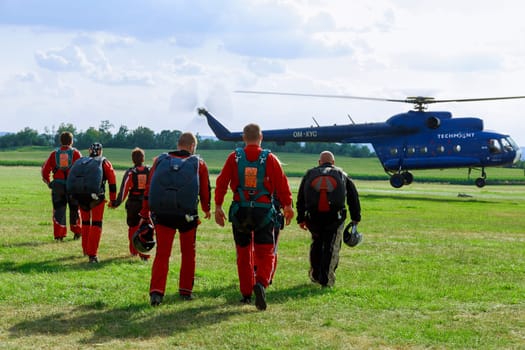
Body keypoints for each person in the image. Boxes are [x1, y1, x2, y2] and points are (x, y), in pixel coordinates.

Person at [214, 123, 294, 311]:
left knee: (243, 253)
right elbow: (282, 184)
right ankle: (261, 283)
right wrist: (288, 206)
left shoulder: (234, 158)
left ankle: (246, 292)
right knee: (265, 252)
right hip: (263, 212)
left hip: (240, 211)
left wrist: (218, 206)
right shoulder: (270, 159)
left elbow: (222, 182)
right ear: (261, 137)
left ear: (243, 137)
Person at [140, 132, 211, 306]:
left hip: (163, 214)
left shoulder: (160, 160)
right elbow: (205, 190)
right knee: (188, 254)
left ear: (178, 144)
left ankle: (156, 293)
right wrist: (206, 209)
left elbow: (149, 188)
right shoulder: (199, 163)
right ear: (192, 146)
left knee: (162, 254)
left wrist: (145, 212)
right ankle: (185, 291)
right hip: (187, 216)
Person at [296, 151, 361, 287]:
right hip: (334, 217)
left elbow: (300, 198)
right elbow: (353, 198)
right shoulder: (342, 175)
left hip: (313, 217)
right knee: (331, 245)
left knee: (317, 243)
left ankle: (315, 273)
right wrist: (356, 218)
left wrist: (301, 218)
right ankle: (326, 279)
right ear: (333, 162)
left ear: (319, 162)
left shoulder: (309, 174)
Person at [70, 143, 117, 263]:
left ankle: (85, 250)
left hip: (81, 196)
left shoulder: (82, 162)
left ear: (89, 150)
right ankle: (92, 254)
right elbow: (112, 180)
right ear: (100, 151)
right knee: (96, 224)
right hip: (97, 198)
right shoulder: (104, 162)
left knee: (85, 223)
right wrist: (113, 199)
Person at [41, 131, 83, 241]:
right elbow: (82, 169)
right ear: (71, 141)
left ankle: (59, 235)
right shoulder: (76, 153)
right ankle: (77, 232)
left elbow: (45, 170)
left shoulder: (54, 154)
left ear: (61, 141)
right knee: (75, 209)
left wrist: (49, 182)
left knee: (59, 210)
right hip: (73, 186)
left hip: (58, 186)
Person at [113, 147, 150, 261]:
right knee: (146, 227)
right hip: (147, 203)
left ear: (133, 159)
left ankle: (134, 251)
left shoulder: (131, 172)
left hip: (133, 203)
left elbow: (124, 190)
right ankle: (144, 253)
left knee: (133, 227)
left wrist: (116, 203)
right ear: (143, 158)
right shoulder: (150, 171)